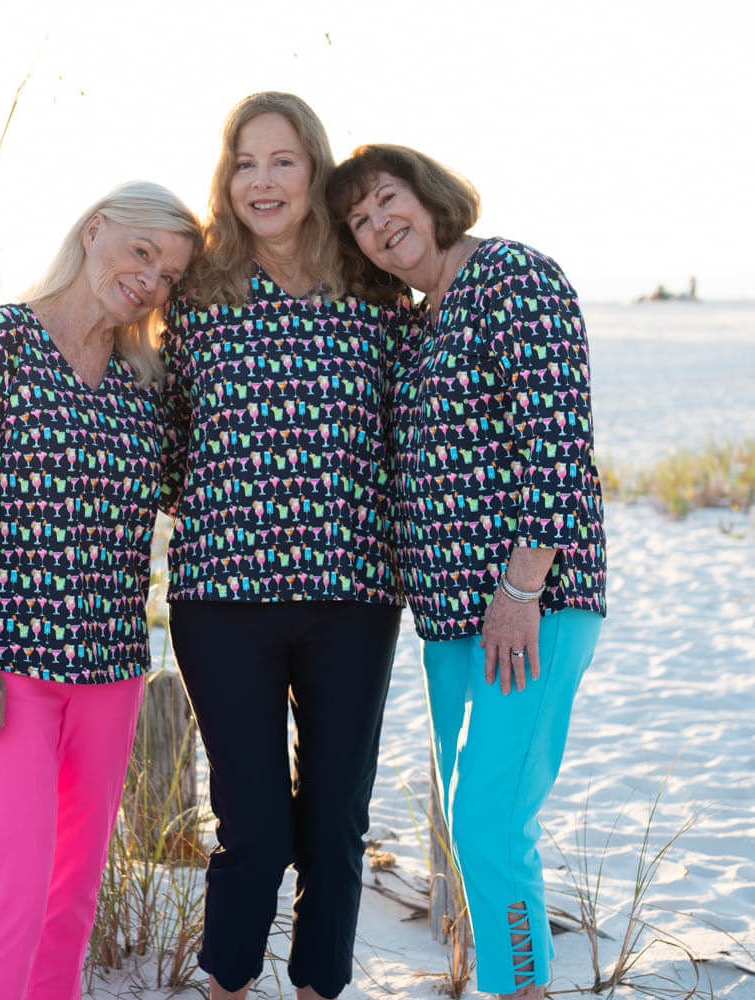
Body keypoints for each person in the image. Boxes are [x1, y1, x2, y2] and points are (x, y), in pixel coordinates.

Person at [326, 145, 606, 1000]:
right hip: (449, 621)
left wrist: (519, 593)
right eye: (361, 223)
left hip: (530, 605)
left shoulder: (515, 277)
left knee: (488, 819)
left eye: (387, 200)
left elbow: (557, 447)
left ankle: (522, 989)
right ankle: (513, 984)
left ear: (429, 193)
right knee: (471, 820)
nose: (380, 227)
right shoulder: (420, 322)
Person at [0, 180, 200, 1000]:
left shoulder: (146, 379)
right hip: (4, 670)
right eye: (143, 252)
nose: (150, 281)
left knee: (71, 897)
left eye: (171, 275)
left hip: (110, 671)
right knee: (7, 890)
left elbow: (191, 488)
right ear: (96, 229)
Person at [161, 93, 404, 1000]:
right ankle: (225, 982)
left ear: (315, 171)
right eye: (244, 162)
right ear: (227, 179)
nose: (261, 181)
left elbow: (406, 431)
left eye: (283, 161)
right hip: (223, 600)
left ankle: (317, 988)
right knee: (253, 823)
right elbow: (169, 439)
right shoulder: (197, 296)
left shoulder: (376, 292)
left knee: (336, 818)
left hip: (354, 598)